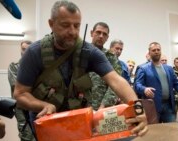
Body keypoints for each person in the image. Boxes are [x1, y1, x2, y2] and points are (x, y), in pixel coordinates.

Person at [13, 0, 148, 137]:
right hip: (47, 124)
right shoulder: (35, 52)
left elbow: (116, 80)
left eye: (76, 26)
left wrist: (138, 110)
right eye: (65, 25)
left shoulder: (88, 52)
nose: (72, 31)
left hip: (78, 122)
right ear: (51, 24)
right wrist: (43, 105)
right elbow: (20, 94)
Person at [134, 42, 178, 123]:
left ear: (161, 51)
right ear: (149, 53)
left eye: (158, 50)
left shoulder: (169, 69)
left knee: (171, 131)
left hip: (168, 106)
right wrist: (144, 89)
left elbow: (177, 84)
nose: (156, 51)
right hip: (152, 106)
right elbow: (137, 84)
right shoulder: (143, 68)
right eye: (154, 50)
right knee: (155, 132)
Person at [88, 22, 122, 110]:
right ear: (92, 33)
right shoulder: (80, 52)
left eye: (104, 34)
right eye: (98, 32)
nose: (101, 36)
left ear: (107, 38)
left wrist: (104, 106)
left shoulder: (110, 57)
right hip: (78, 106)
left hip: (100, 107)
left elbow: (115, 84)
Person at [8, 40, 35, 141]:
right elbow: (18, 87)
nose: (25, 52)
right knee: (27, 136)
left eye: (28, 50)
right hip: (21, 109)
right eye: (23, 49)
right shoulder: (14, 67)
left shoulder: (36, 68)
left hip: (35, 108)